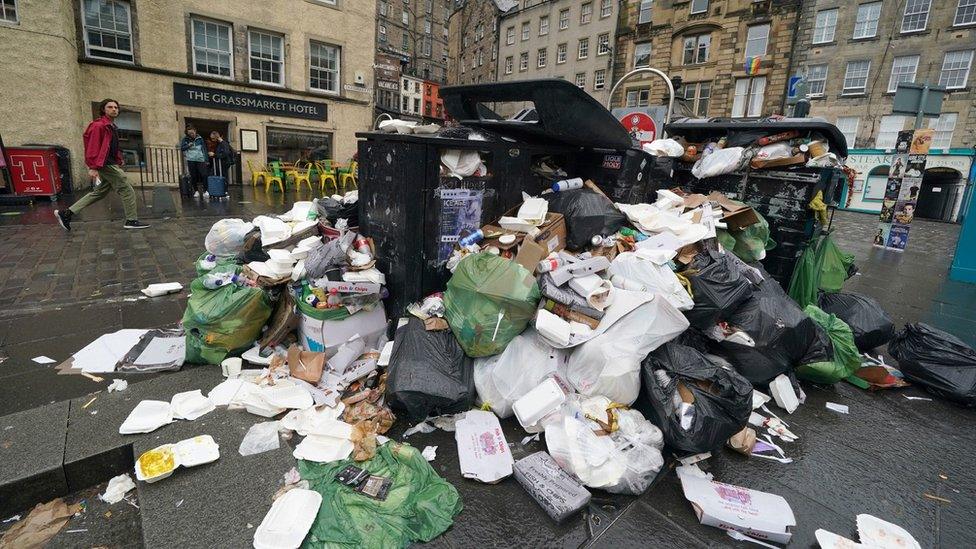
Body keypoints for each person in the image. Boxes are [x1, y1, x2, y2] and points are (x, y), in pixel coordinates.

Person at [55, 99, 149, 231]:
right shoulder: (98, 125)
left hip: (110, 163)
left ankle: (66, 214)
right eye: (110, 107)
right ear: (103, 110)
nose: (114, 109)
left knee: (99, 192)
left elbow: (111, 147)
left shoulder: (111, 126)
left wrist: (118, 159)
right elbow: (92, 147)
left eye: (116, 107)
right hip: (105, 164)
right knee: (127, 189)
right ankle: (131, 220)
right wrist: (92, 166)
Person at [180, 125, 209, 198]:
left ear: (195, 131)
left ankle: (206, 190)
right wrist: (188, 146)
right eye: (189, 133)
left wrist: (206, 159)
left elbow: (204, 149)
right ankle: (196, 191)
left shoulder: (200, 138)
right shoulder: (185, 139)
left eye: (192, 133)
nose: (191, 134)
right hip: (191, 159)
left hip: (200, 159)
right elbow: (182, 148)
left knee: (204, 174)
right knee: (193, 176)